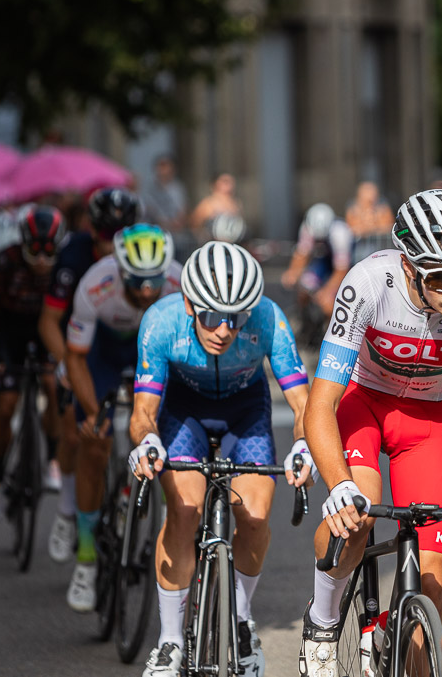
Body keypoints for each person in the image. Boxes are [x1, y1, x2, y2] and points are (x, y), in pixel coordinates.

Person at [299, 189, 442, 677]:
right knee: (356, 518)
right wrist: (338, 485)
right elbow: (321, 404)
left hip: (430, 422)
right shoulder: (367, 284)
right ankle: (323, 621)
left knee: (433, 582)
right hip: (363, 405)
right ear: (408, 266)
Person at [129, 241, 312, 677]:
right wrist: (147, 443)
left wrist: (305, 446)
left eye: (236, 318)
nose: (224, 330)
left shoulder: (268, 318)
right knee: (185, 510)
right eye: (211, 317)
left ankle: (243, 619)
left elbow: (304, 405)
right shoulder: (161, 321)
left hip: (244, 413)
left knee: (253, 516)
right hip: (183, 411)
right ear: (190, 304)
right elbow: (142, 413)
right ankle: (169, 641)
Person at [65, 224, 182, 613]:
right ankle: (85, 558)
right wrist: (94, 410)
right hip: (104, 354)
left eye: (154, 281)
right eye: (137, 281)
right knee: (94, 443)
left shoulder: (180, 284)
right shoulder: (96, 283)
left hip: (156, 352)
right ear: (119, 270)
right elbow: (76, 356)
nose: (148, 290)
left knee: (174, 440)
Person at [39, 187, 140, 563]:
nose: (111, 244)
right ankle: (68, 508)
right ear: (90, 228)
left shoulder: (144, 255)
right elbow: (49, 320)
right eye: (104, 234)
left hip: (130, 341)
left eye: (121, 233)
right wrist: (66, 362)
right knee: (75, 427)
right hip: (84, 342)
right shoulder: (74, 254)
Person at [0, 205, 65, 521]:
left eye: (49, 252)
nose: (42, 261)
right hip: (9, 331)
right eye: (35, 251)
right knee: (5, 405)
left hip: (47, 329)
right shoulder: (6, 260)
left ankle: (53, 458)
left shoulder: (64, 266)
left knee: (53, 386)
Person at [281, 203, 354, 329]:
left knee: (328, 302)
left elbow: (341, 270)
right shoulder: (307, 228)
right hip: (323, 260)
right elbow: (301, 254)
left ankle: (331, 329)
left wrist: (326, 291)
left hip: (342, 265)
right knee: (305, 287)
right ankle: (305, 323)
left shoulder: (341, 233)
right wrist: (292, 273)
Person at [345, 181, 393, 263]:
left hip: (380, 248)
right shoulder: (353, 210)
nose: (371, 196)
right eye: (367, 192)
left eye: (373, 192)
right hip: (359, 249)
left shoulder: (383, 209)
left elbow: (389, 226)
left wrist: (371, 229)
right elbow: (351, 228)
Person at [143, 154, 187, 232]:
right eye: (161, 166)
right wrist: (165, 223)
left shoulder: (178, 188)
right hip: (156, 232)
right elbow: (150, 210)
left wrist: (177, 222)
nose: (163, 170)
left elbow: (182, 211)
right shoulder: (150, 190)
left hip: (176, 232)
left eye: (165, 166)